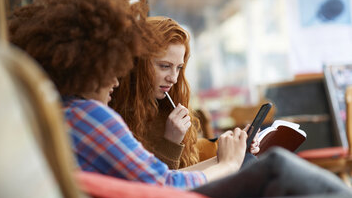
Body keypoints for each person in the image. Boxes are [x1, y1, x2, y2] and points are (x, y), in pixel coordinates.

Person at [8, 0, 248, 190]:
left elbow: (154, 180)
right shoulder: (89, 116)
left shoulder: (61, 112)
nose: (116, 80)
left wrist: (225, 159)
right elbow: (163, 186)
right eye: (110, 68)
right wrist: (227, 165)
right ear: (89, 67)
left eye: (179, 68)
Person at [110, 16, 259, 169]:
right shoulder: (114, 118)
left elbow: (189, 166)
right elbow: (157, 183)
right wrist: (171, 142)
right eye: (164, 66)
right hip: (168, 192)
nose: (174, 78)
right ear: (138, 63)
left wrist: (231, 148)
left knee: (250, 160)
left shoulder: (165, 108)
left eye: (179, 68)